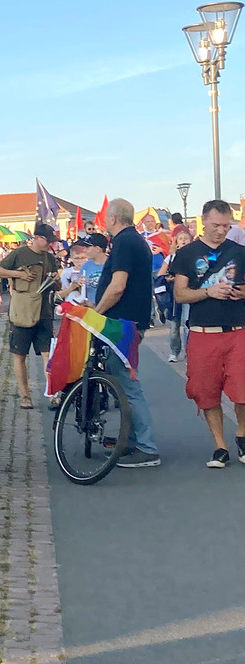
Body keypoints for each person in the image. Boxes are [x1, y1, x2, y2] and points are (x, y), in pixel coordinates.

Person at [172, 200, 245, 468]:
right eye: (216, 225)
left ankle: (241, 434)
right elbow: (180, 294)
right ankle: (220, 446)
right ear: (204, 221)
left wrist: (242, 292)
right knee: (206, 390)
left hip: (238, 330)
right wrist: (207, 292)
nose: (221, 231)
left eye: (226, 226)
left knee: (242, 387)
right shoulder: (188, 253)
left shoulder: (240, 252)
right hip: (204, 332)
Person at [91, 198, 161, 468]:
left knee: (128, 386)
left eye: (106, 217)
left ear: (113, 219)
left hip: (122, 323)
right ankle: (132, 440)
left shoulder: (123, 242)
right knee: (122, 385)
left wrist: (97, 310)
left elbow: (118, 285)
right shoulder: (134, 241)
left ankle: (146, 446)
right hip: (129, 321)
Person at [0, 224, 60, 409]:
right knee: (20, 355)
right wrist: (18, 274)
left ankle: (52, 393)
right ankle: (25, 396)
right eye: (48, 240)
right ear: (37, 238)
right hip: (22, 311)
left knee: (48, 355)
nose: (50, 245)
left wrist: (56, 279)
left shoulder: (50, 258)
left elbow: (57, 285)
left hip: (44, 311)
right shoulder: (19, 254)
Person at [159, 228, 193, 362]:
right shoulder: (171, 257)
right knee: (174, 326)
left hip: (188, 293)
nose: (184, 240)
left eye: (186, 238)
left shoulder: (194, 257)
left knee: (186, 323)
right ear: (176, 242)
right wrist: (169, 278)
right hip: (173, 296)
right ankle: (174, 351)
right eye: (181, 238)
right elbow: (160, 275)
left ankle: (188, 351)